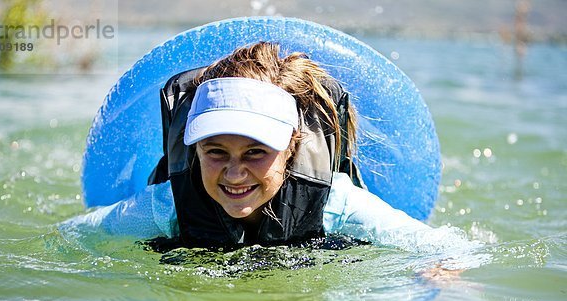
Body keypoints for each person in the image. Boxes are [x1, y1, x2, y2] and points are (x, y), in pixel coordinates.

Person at [63, 42, 472, 252]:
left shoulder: (334, 204)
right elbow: (74, 236)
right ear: (194, 148)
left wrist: (443, 267)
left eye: (255, 152)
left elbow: (442, 247)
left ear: (292, 148)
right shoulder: (168, 205)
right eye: (215, 151)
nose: (235, 173)